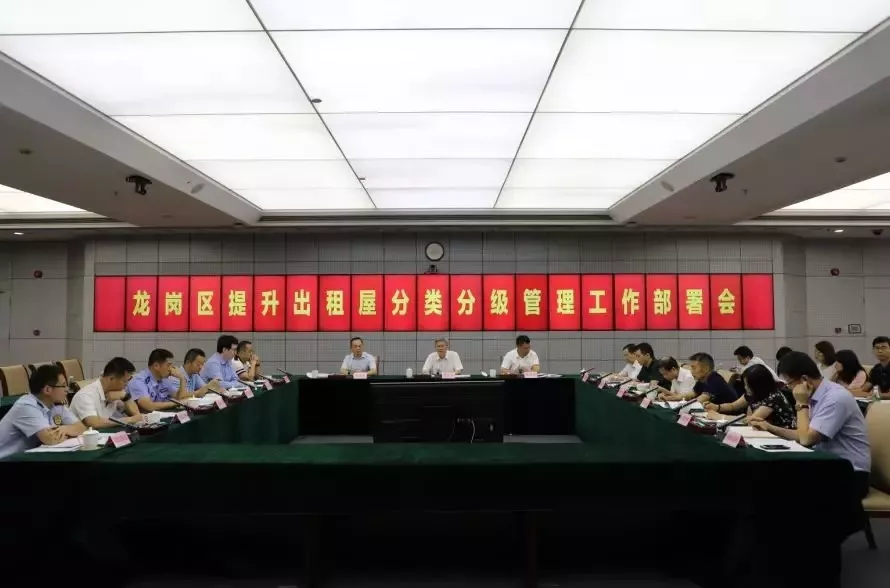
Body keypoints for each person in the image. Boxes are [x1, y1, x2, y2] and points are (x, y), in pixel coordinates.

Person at [751, 351, 870, 501]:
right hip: (827, 466)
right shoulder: (816, 394)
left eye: (789, 384)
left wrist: (801, 403)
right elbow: (804, 434)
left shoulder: (835, 398)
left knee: (777, 488)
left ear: (804, 380)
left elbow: (806, 439)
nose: (789, 389)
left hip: (850, 474)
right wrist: (769, 427)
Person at [0, 364, 85, 458]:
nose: (67, 390)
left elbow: (81, 427)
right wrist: (68, 432)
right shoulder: (26, 406)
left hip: (25, 458)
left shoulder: (55, 404)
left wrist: (64, 429)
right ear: (47, 390)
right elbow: (50, 439)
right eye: (63, 386)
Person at [704, 364, 796, 429]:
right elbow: (733, 406)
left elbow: (750, 421)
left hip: (781, 437)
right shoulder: (753, 393)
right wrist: (717, 407)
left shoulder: (774, 397)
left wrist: (720, 417)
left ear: (759, 385)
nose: (745, 387)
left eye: (748, 385)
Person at [70, 357, 143, 429]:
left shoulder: (115, 392)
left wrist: (126, 397)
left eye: (128, 381)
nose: (127, 384)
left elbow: (137, 415)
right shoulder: (85, 395)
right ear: (111, 379)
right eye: (124, 381)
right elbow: (94, 423)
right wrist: (128, 420)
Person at [865, 336, 890, 400]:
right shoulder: (876, 369)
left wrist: (876, 395)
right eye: (877, 348)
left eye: (883, 348)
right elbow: (865, 388)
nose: (880, 351)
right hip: (878, 401)